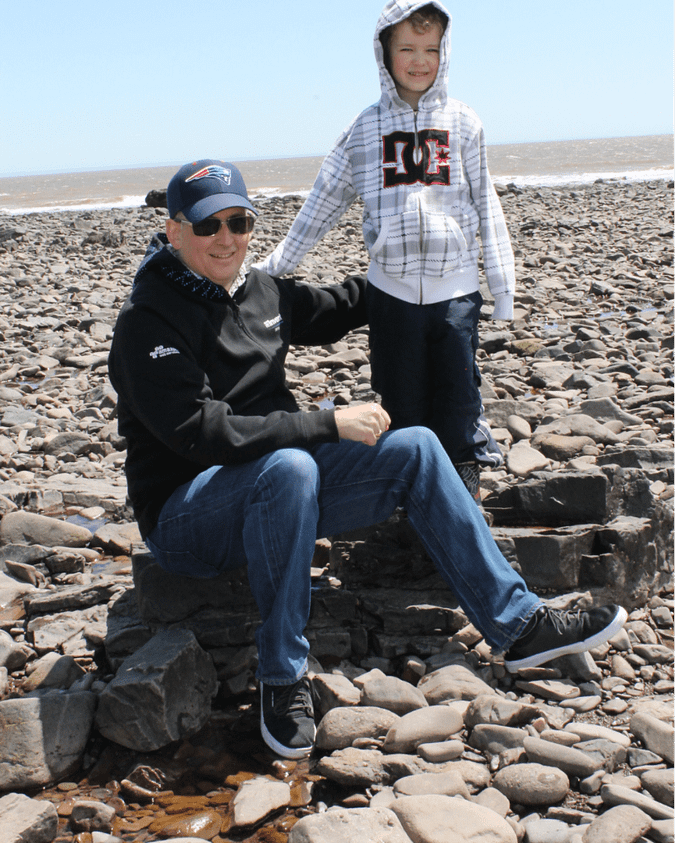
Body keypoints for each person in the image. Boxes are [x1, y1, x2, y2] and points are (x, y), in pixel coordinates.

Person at [108, 159, 626, 761]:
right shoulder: (149, 318)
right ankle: (281, 677)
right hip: (186, 519)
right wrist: (327, 423)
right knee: (292, 465)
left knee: (416, 447)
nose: (226, 237)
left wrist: (416, 263)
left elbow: (345, 303)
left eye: (238, 221)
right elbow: (200, 434)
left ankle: (518, 625)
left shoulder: (260, 291)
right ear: (174, 231)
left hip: (277, 494)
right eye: (207, 226)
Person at [259, 0, 514, 504]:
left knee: (459, 402)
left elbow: (486, 201)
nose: (420, 60)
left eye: (432, 49)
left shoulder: (464, 122)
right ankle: (413, 501)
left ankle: (463, 499)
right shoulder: (364, 129)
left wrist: (501, 287)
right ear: (383, 53)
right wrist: (272, 270)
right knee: (403, 402)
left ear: (445, 54)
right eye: (408, 48)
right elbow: (323, 202)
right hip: (391, 295)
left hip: (457, 291)